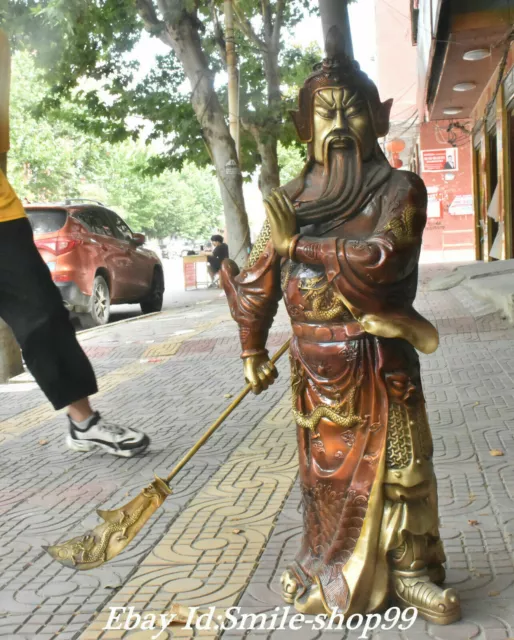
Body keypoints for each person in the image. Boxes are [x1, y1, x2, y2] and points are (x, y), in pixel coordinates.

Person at [221, 27, 461, 625]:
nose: (338, 125)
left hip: (379, 359)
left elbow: (385, 258)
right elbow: (258, 275)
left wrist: (299, 246)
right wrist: (252, 345)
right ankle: (322, 562)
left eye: (352, 112)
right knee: (324, 481)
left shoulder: (400, 190)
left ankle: (411, 573)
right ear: (305, 128)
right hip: (314, 370)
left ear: (376, 122)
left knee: (402, 468)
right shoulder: (292, 196)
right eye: (324, 114)